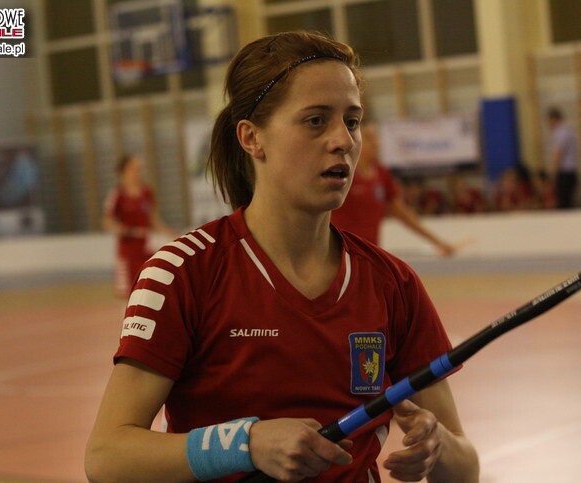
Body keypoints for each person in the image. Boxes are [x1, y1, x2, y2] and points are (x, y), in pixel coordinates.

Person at [86, 31, 479, 483]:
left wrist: (438, 445)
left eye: (352, 121)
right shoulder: (183, 272)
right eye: (315, 120)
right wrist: (246, 444)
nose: (343, 140)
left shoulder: (394, 284)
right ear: (252, 138)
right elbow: (107, 456)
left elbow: (465, 470)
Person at [331, 123, 457, 257]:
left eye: (376, 137)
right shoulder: (342, 172)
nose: (376, 142)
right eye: (369, 137)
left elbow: (402, 213)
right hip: (339, 252)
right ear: (354, 140)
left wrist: (437, 242)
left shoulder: (382, 174)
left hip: (368, 254)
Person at [102, 153, 176, 299]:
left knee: (150, 289)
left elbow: (153, 219)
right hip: (128, 254)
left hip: (146, 250)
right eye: (134, 168)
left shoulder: (147, 192)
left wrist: (169, 233)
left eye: (139, 168)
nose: (138, 172)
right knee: (128, 294)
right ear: (124, 171)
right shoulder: (117, 195)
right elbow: (107, 222)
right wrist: (129, 231)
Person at [547, 107, 579, 209]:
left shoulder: (561, 132)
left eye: (549, 121)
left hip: (565, 173)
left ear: (554, 119)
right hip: (571, 172)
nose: (549, 124)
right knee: (567, 201)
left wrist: (553, 172)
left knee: (564, 203)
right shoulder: (568, 131)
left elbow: (559, 153)